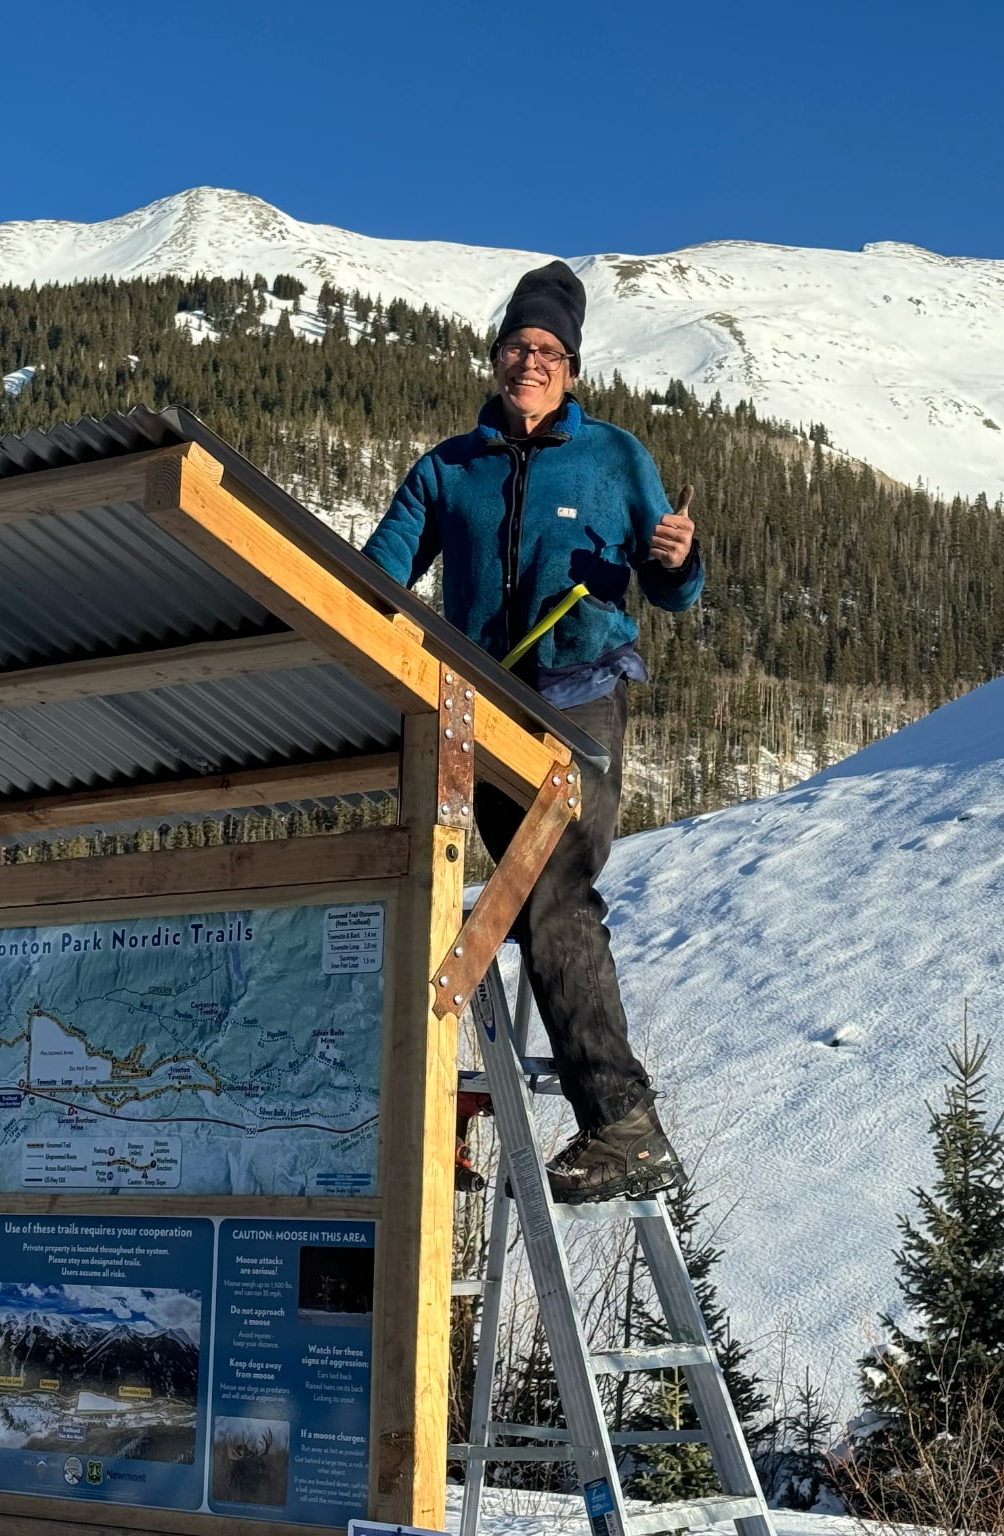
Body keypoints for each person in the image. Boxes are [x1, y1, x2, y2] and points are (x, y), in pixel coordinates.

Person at [362, 259, 703, 1203]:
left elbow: (672, 578)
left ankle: (624, 1124)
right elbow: (382, 573)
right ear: (496, 354)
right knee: (471, 899)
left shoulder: (615, 458)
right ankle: (446, 1116)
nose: (531, 362)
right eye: (519, 345)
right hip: (479, 705)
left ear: (574, 369)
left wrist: (676, 559)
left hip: (580, 696)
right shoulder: (448, 469)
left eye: (549, 351)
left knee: (548, 890)